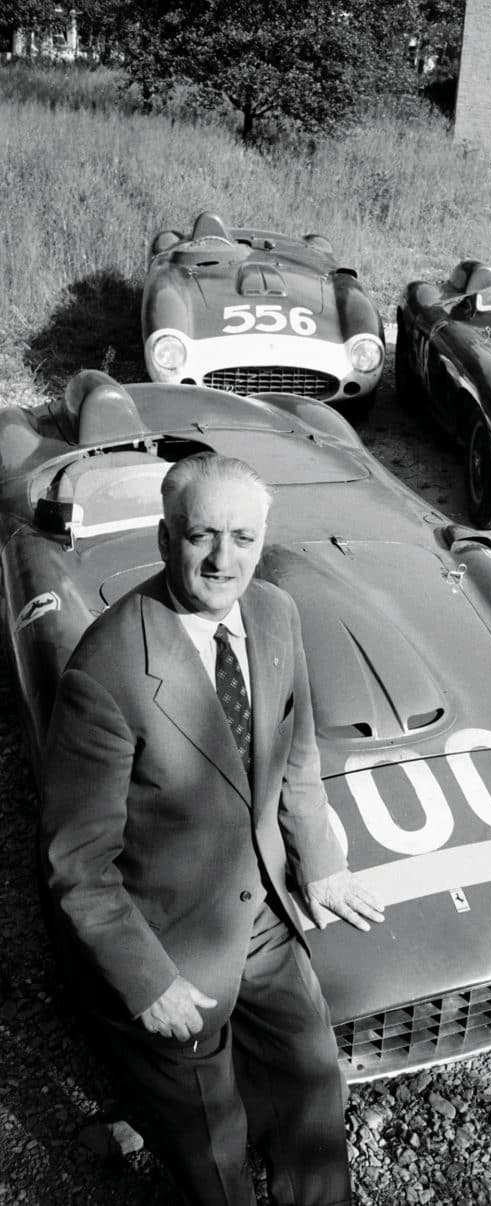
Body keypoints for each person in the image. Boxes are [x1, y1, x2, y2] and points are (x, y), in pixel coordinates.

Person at [40, 451, 384, 1206]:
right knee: (211, 1135)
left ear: (264, 540)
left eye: (244, 537)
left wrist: (320, 862)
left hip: (260, 913)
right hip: (172, 938)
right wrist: (148, 979)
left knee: (311, 1077)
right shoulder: (107, 672)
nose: (224, 560)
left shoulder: (276, 614)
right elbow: (77, 861)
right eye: (203, 536)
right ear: (167, 540)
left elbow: (297, 755)